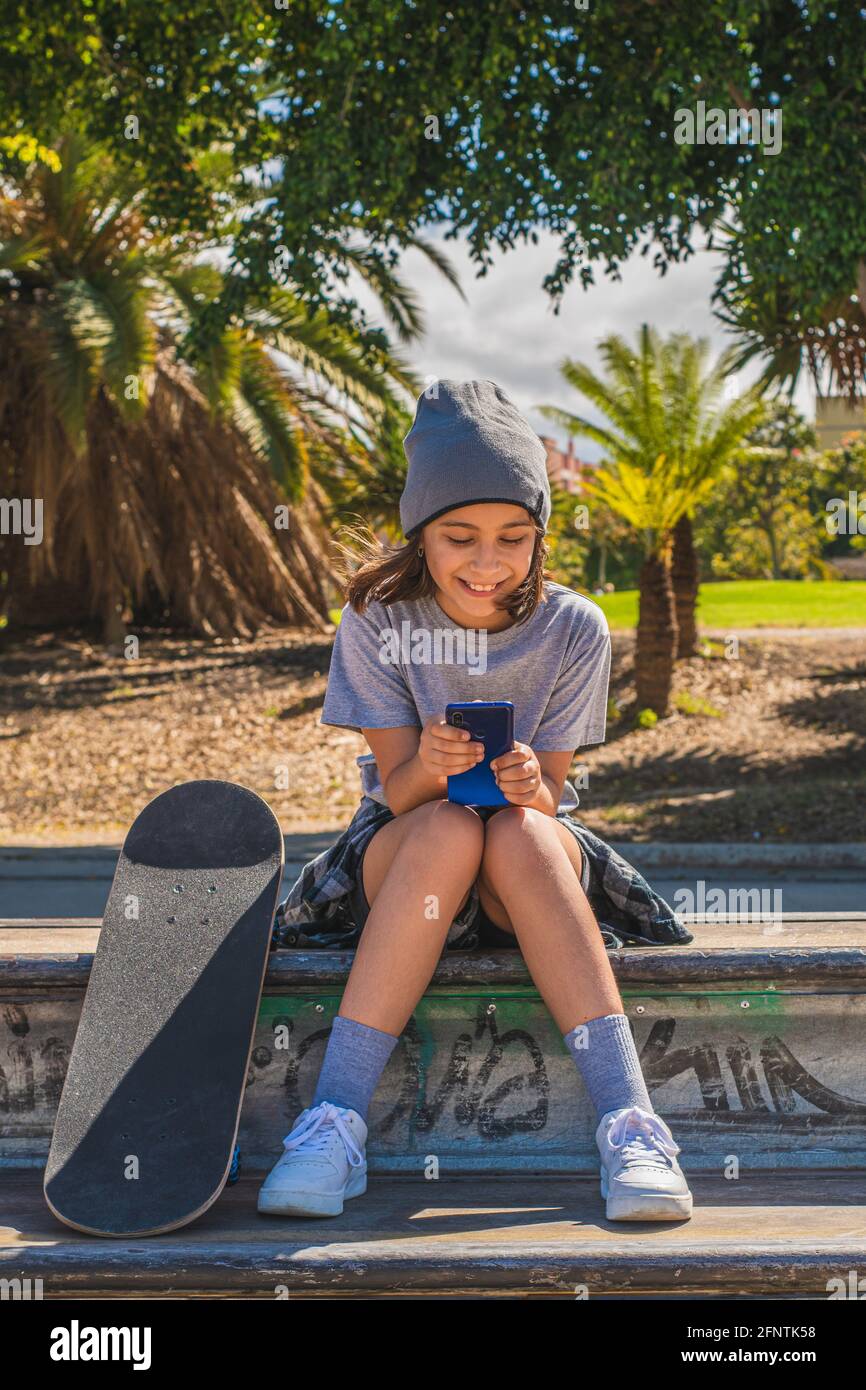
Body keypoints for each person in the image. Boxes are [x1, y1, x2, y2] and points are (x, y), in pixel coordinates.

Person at [257, 380, 692, 1223]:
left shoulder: (575, 628)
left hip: (525, 875)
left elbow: (554, 794)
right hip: (409, 862)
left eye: (513, 538)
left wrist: (530, 782)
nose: (487, 563)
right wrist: (429, 760)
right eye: (460, 538)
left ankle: (631, 1123)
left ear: (540, 537)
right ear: (420, 533)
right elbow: (394, 791)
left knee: (520, 834)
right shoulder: (376, 619)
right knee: (454, 823)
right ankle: (334, 1122)